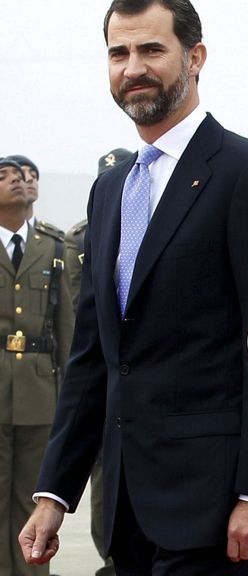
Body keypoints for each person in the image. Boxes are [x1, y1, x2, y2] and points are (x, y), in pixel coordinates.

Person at [18, 1, 248, 573]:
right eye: (119, 53)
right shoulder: (110, 190)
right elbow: (94, 356)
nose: (134, 68)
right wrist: (55, 491)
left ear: (195, 57)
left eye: (152, 49)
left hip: (216, 508)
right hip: (125, 506)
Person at [61, 147, 134, 576]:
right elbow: (78, 316)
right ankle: (110, 552)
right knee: (105, 470)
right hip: (101, 374)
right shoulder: (81, 238)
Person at [1, 157, 72, 576]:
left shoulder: (55, 246)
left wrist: (71, 403)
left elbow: (67, 330)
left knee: (35, 502)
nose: (20, 180)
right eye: (7, 175)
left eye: (28, 175)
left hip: (40, 394)